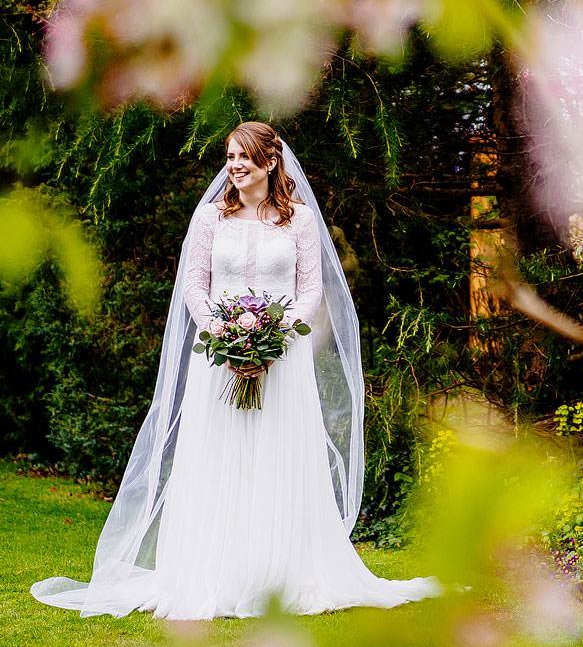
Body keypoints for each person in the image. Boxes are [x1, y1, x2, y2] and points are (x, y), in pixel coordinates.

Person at [32, 121, 439, 619]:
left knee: (276, 457)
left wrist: (274, 340)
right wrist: (224, 337)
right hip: (218, 361)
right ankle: (214, 572)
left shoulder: (301, 221)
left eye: (244, 157)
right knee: (218, 456)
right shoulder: (208, 220)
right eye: (229, 157)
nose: (235, 165)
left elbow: (311, 289)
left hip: (283, 361)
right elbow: (193, 286)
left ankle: (277, 573)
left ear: (271, 162)